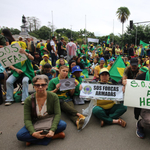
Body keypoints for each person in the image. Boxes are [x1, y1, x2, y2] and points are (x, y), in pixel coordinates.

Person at [16, 75, 67, 146]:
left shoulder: (53, 96)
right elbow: (27, 119)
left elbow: (57, 114)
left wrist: (52, 130)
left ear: (46, 86)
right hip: (36, 122)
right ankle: (54, 136)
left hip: (49, 120)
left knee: (63, 125)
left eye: (43, 85)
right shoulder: (28, 100)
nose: (40, 87)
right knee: (20, 135)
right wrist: (33, 133)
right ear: (33, 86)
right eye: (37, 85)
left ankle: (32, 140)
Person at [48, 65, 85, 130]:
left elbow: (71, 94)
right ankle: (79, 114)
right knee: (62, 102)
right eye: (63, 71)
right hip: (57, 99)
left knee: (69, 111)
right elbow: (48, 94)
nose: (65, 72)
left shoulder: (68, 81)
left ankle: (77, 122)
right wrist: (56, 89)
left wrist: (73, 87)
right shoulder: (53, 81)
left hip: (67, 98)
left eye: (67, 71)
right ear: (59, 71)